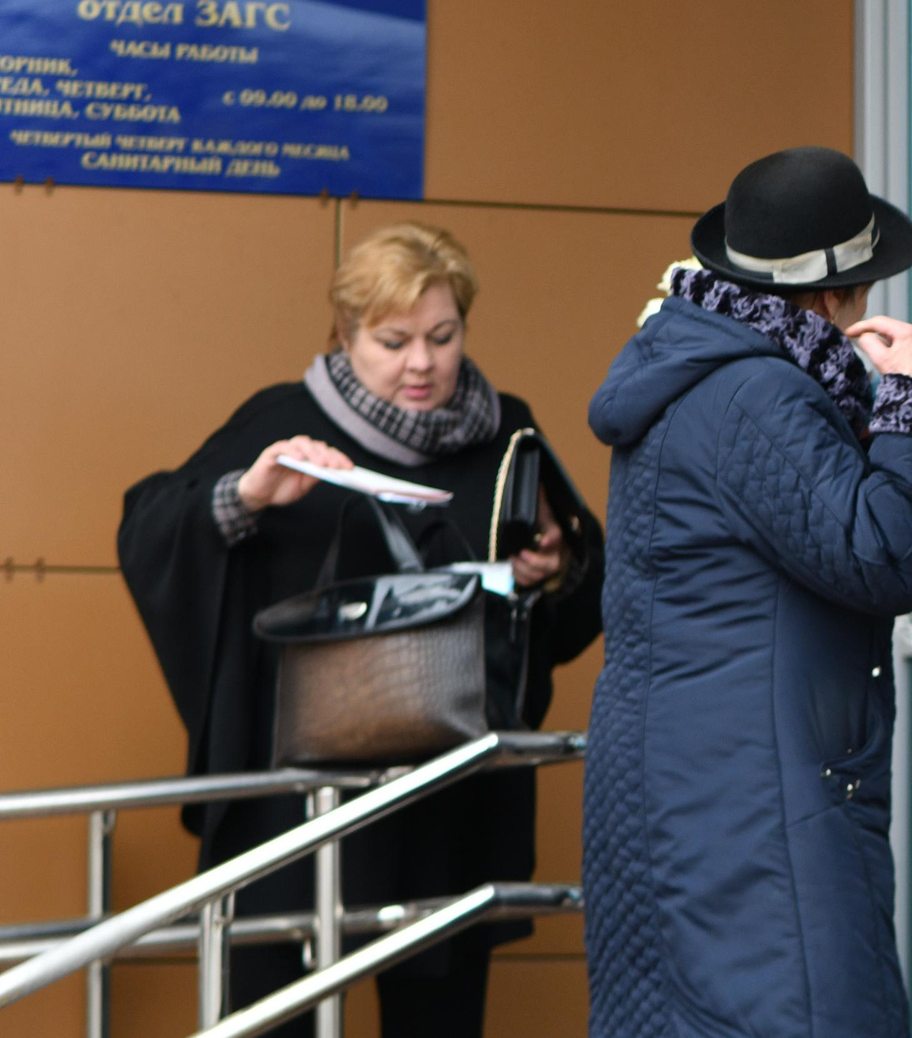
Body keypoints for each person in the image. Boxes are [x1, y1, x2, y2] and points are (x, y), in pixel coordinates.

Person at [119, 223, 604, 1038]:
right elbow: (151, 526)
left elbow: (577, 595)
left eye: (442, 336)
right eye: (394, 340)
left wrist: (554, 568)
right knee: (276, 1014)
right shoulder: (285, 422)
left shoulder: (507, 433)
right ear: (344, 335)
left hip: (448, 799)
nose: (422, 363)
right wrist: (246, 496)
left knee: (438, 1019)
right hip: (301, 807)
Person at [581, 146, 912, 1038]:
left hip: (698, 791)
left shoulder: (699, 369)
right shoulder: (758, 391)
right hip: (754, 806)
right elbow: (880, 554)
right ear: (832, 300)